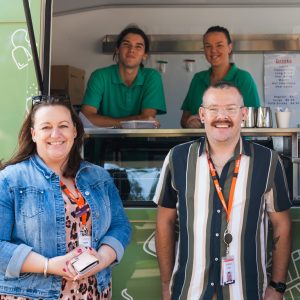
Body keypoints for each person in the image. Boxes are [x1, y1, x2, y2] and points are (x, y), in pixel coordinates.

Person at [154, 82, 291, 300]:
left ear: (243, 114)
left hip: (247, 292)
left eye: (230, 109)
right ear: (202, 114)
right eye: (214, 109)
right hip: (190, 291)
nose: (222, 116)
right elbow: (165, 223)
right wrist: (165, 284)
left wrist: (277, 287)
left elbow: (281, 225)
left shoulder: (267, 161)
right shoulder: (178, 158)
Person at [0, 95, 131, 299]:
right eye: (46, 127)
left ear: (74, 131)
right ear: (34, 134)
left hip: (93, 292)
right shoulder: (10, 179)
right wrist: (49, 265)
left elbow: (120, 225)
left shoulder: (99, 177)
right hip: (33, 294)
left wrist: (102, 259)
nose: (56, 134)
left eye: (63, 125)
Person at [81, 26, 166, 128]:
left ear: (145, 55)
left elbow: (147, 118)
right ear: (117, 50)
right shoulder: (99, 76)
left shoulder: (152, 77)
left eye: (138, 46)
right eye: (126, 44)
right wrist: (128, 122)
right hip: (103, 141)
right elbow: (87, 117)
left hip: (141, 142)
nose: (131, 50)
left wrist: (111, 122)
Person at [181, 25, 261, 128]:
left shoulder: (243, 79)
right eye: (208, 46)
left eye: (219, 45)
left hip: (236, 143)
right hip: (201, 142)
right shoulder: (198, 79)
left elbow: (254, 120)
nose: (213, 50)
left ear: (229, 47)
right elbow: (184, 120)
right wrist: (190, 122)